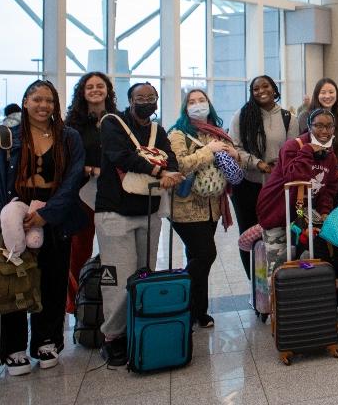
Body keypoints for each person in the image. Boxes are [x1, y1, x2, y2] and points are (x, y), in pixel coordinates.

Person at [0, 80, 86, 375]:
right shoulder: (7, 137)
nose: (44, 106)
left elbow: (73, 179)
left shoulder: (69, 138)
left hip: (56, 217)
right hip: (14, 216)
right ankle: (13, 348)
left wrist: (48, 214)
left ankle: (47, 340)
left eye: (50, 101)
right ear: (26, 102)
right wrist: (13, 216)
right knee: (13, 280)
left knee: (52, 281)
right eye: (37, 99)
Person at [96, 82, 184, 366]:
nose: (146, 101)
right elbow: (121, 156)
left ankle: (139, 325)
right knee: (119, 278)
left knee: (144, 273)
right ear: (130, 100)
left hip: (148, 209)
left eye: (151, 97)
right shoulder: (113, 123)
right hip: (114, 212)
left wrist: (167, 169)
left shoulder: (158, 130)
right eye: (140, 97)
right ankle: (112, 337)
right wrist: (159, 170)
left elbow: (171, 157)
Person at [168, 89, 239, 328]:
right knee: (206, 254)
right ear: (184, 107)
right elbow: (178, 165)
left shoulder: (218, 133)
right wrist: (209, 152)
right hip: (186, 207)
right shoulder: (178, 133)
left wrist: (232, 152)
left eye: (202, 100)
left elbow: (230, 163)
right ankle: (176, 299)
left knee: (197, 257)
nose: (198, 104)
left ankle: (197, 311)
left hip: (213, 207)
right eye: (192, 101)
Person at [229, 75, 296, 278]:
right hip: (248, 186)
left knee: (276, 235)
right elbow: (235, 147)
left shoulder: (287, 117)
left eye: (265, 86)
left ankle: (275, 283)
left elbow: (293, 151)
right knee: (249, 237)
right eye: (255, 89)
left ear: (274, 89)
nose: (261, 91)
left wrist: (276, 168)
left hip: (277, 188)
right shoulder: (242, 115)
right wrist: (257, 163)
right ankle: (255, 286)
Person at [64, 72, 118, 314]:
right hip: (82, 193)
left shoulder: (118, 120)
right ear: (82, 92)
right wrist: (90, 169)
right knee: (79, 249)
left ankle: (112, 298)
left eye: (100, 86)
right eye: (90, 87)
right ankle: (77, 304)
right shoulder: (72, 124)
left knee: (114, 248)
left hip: (113, 193)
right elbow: (67, 159)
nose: (95, 90)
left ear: (107, 90)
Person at [257, 109, 338, 264]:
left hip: (300, 217)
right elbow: (294, 178)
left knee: (301, 265)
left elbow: (329, 189)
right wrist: (308, 150)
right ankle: (273, 288)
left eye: (329, 126)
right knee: (278, 266)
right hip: (277, 212)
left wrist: (324, 212)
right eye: (319, 126)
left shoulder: (330, 156)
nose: (324, 131)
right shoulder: (293, 146)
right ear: (309, 127)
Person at [297, 78, 338, 205]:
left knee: (329, 217)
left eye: (331, 92)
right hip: (308, 179)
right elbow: (298, 144)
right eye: (323, 92)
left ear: (337, 95)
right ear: (317, 95)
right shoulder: (305, 116)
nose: (327, 96)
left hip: (333, 178)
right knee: (307, 219)